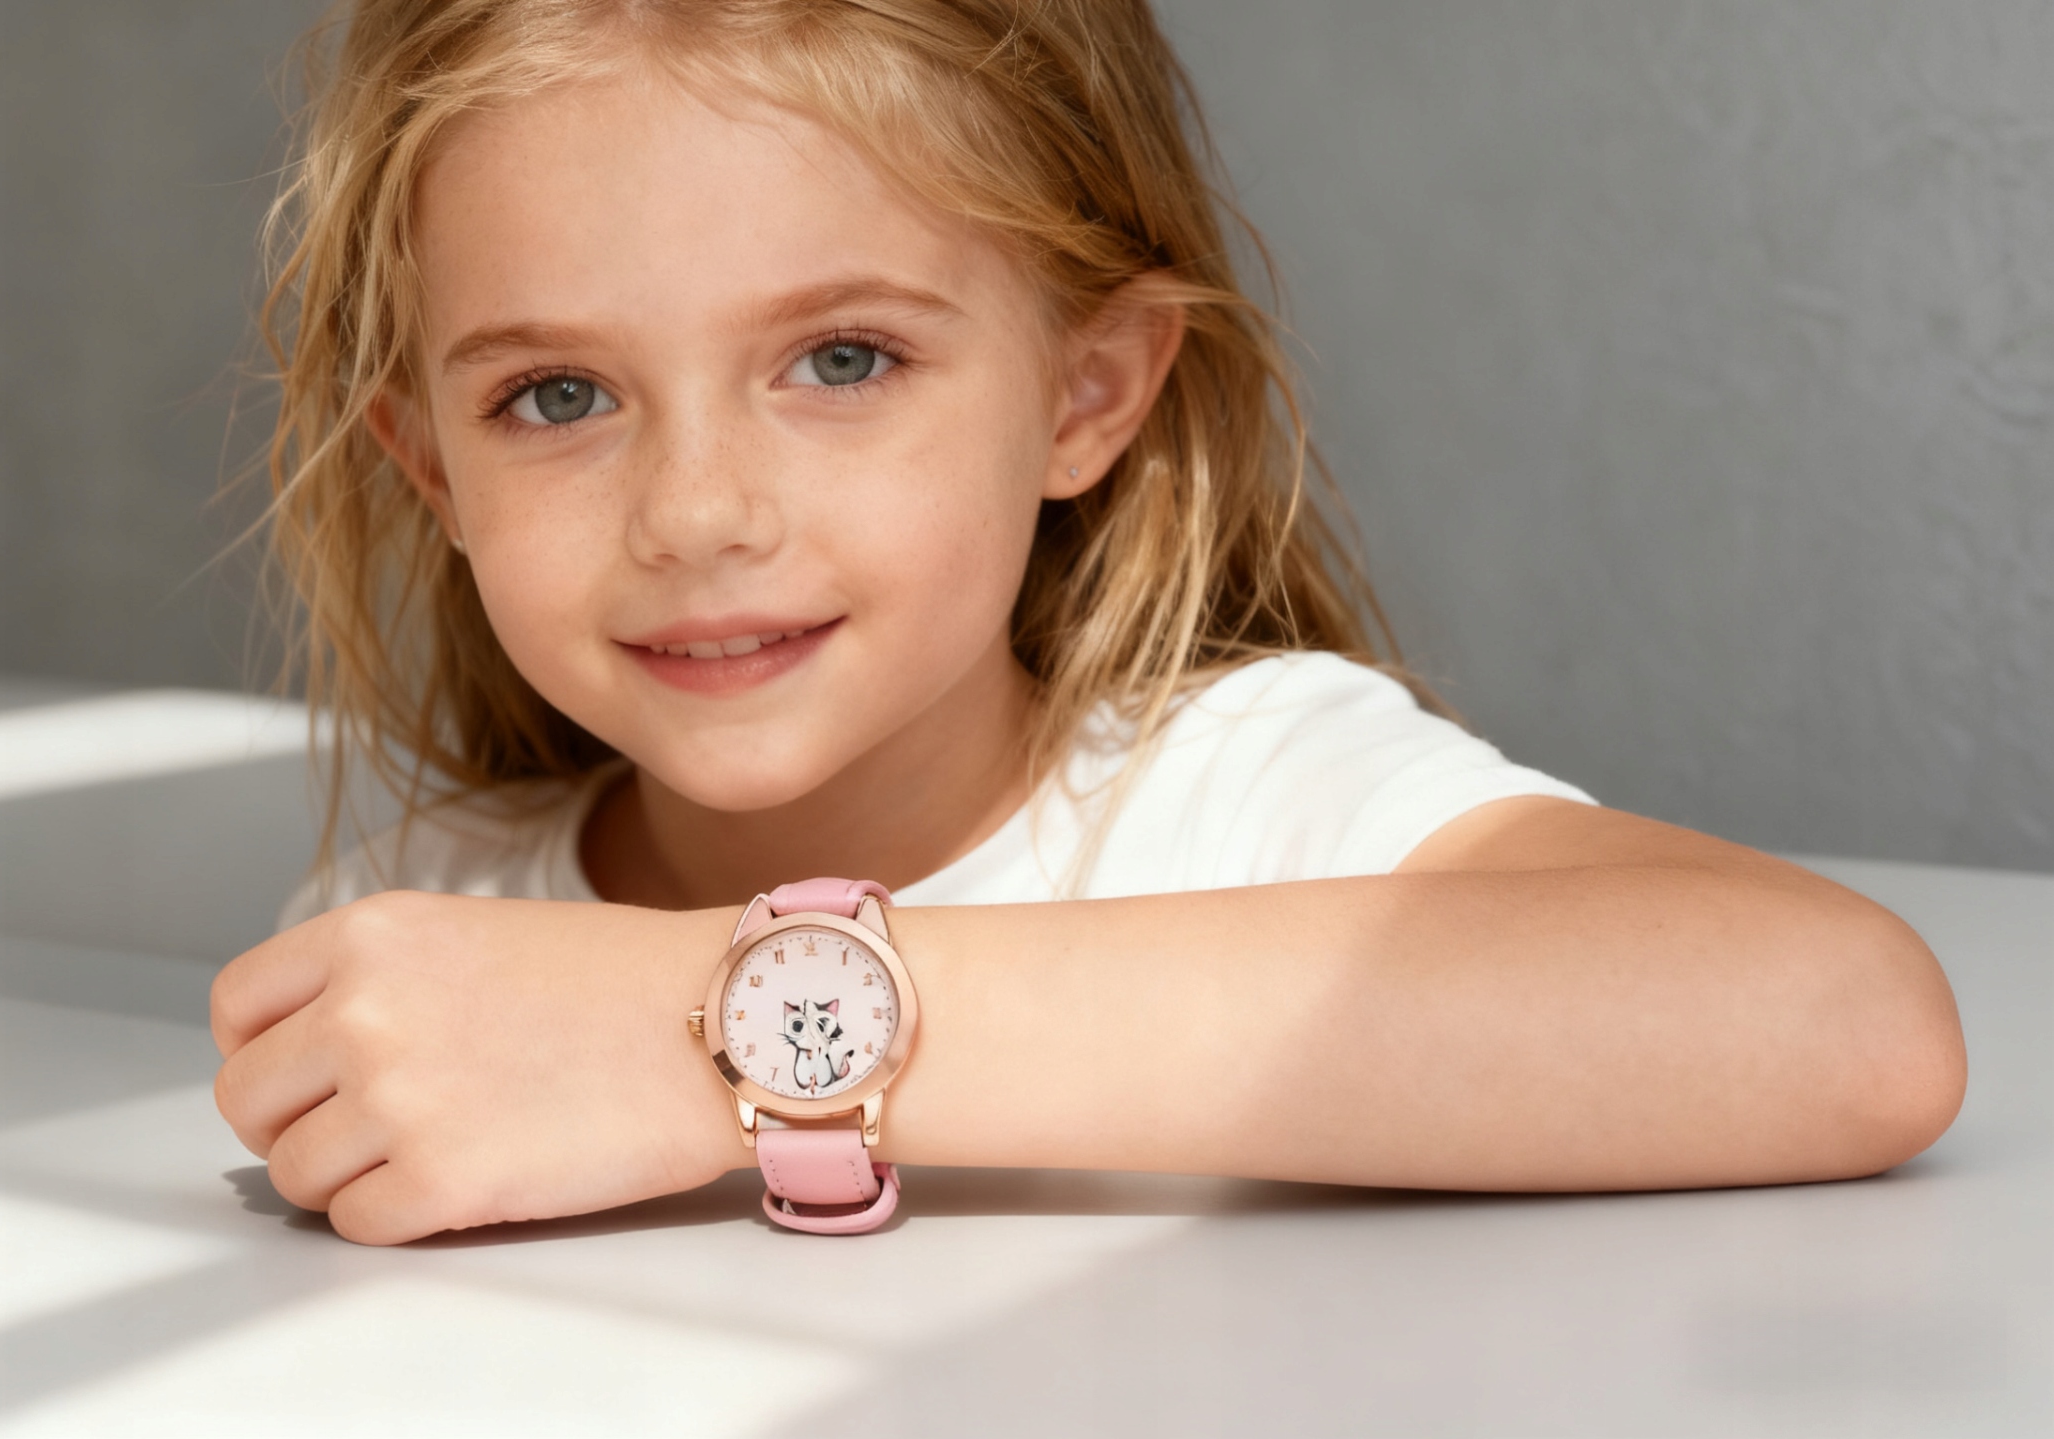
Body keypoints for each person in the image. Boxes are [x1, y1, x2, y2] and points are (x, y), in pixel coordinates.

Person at [208, 0, 1965, 1245]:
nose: (696, 513)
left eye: (843, 360)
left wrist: (710, 1038)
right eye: (557, 397)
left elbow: (1841, 1022)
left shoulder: (1246, 798)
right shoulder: (422, 931)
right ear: (432, 469)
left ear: (1087, 392)